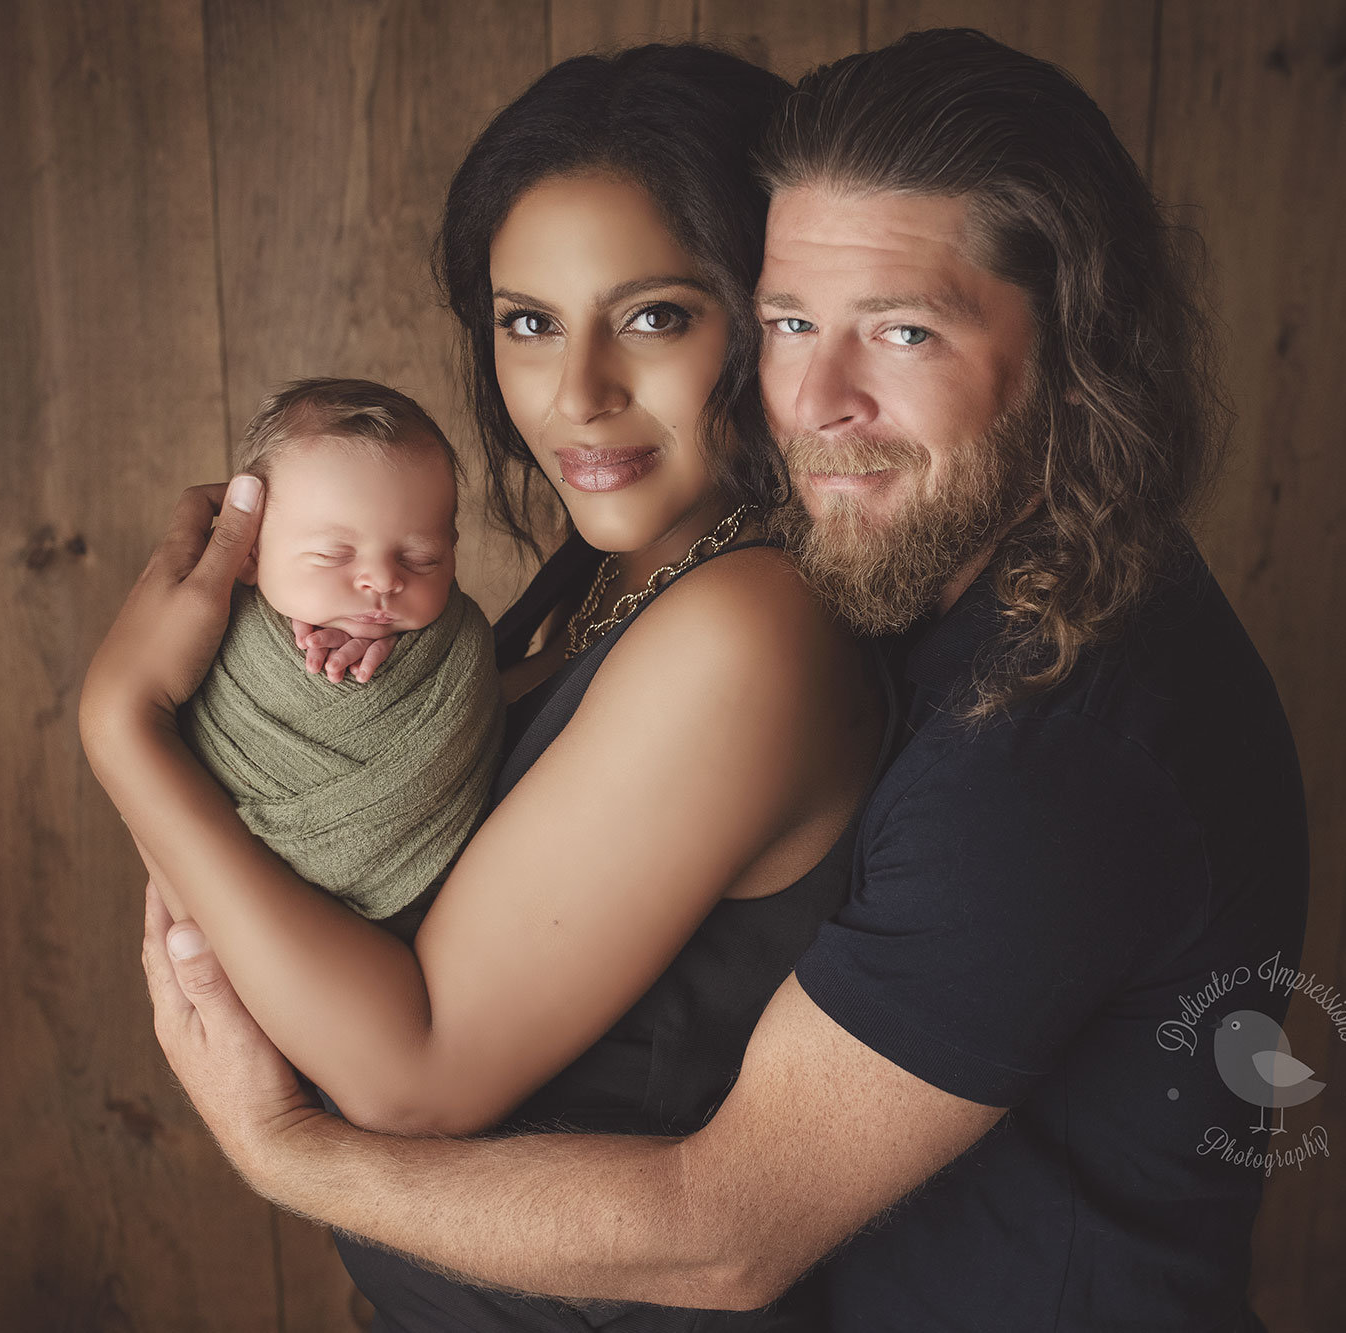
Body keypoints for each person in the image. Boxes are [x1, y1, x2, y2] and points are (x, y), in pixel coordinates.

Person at [132, 28, 1311, 1333]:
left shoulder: (1041, 731)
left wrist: (127, 732)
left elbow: (718, 1234)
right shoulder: (691, 561)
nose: (823, 397)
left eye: (904, 332)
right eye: (796, 323)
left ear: (1076, 341)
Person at [79, 43, 886, 1331]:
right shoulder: (610, 571)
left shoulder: (749, 623)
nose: (576, 395)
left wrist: (122, 729)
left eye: (655, 315)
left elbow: (413, 1075)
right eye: (528, 323)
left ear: (765, 310)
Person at [176, 377, 501, 938]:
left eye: (422, 558)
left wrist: (405, 655)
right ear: (249, 554)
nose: (382, 579)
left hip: (443, 928)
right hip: (249, 918)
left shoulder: (458, 642)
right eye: (332, 555)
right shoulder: (211, 634)